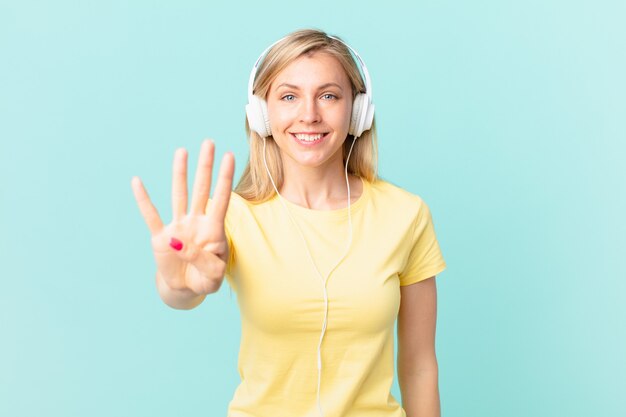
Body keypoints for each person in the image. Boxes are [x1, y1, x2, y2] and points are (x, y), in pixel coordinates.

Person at [131, 28, 447, 417]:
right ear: (262, 114)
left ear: (358, 111)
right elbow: (182, 290)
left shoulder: (406, 214)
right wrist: (178, 285)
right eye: (288, 96)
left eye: (329, 96)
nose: (309, 115)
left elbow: (418, 366)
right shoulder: (228, 215)